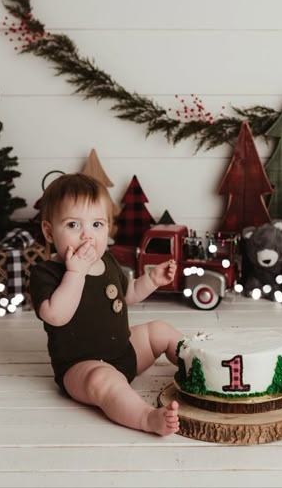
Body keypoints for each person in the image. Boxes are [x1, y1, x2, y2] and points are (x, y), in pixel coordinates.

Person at [29, 173, 183, 436]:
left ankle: (202, 364)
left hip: (123, 352)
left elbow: (129, 294)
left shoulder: (108, 261)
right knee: (104, 380)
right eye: (73, 225)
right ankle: (146, 417)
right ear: (49, 231)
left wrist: (152, 280)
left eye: (97, 224)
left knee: (159, 330)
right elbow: (56, 316)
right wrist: (75, 272)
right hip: (81, 367)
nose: (87, 236)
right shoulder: (46, 273)